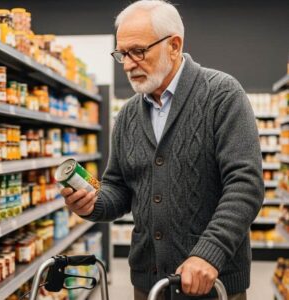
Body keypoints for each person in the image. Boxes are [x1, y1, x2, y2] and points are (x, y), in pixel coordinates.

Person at [60, 0, 264, 299]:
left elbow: (246, 185)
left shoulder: (222, 94)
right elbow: (120, 186)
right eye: (122, 54)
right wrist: (93, 204)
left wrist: (209, 253)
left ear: (174, 45)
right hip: (148, 282)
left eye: (138, 51)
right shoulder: (128, 114)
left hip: (211, 281)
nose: (128, 64)